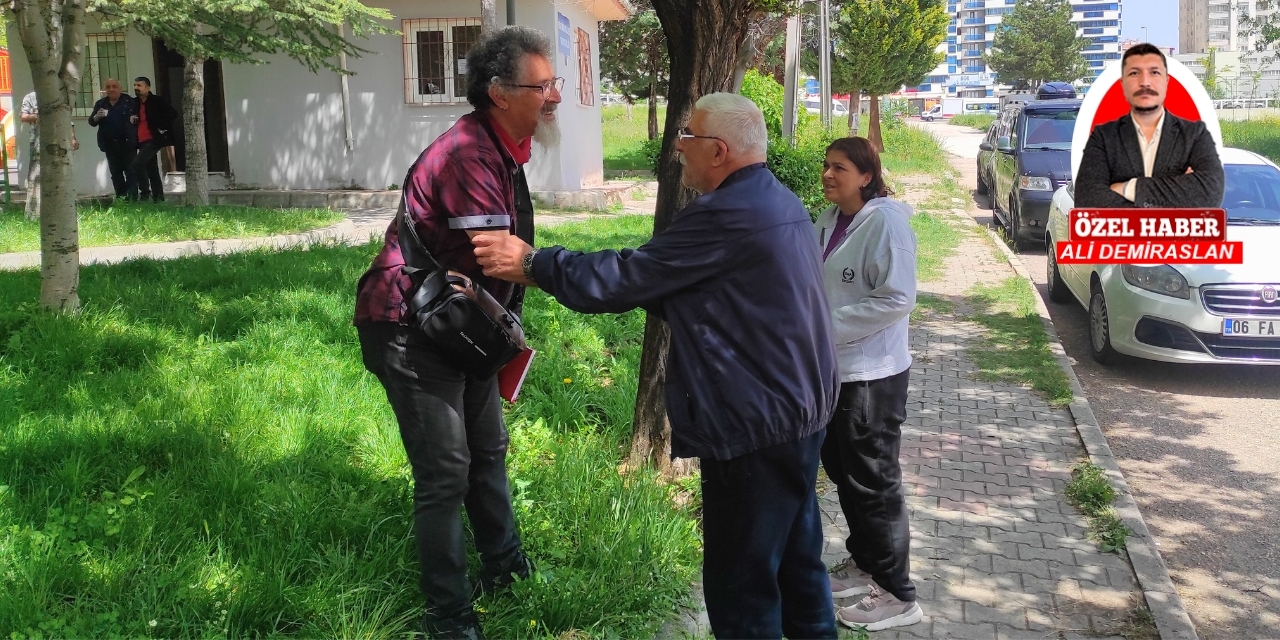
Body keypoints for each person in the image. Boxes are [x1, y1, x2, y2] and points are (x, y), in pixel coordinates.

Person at [473, 92, 841, 640]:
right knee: (796, 563)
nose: (677, 148)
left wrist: (532, 263)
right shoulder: (778, 201)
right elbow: (703, 293)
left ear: (718, 151)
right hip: (797, 413)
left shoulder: (727, 215)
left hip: (755, 429)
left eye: (687, 137)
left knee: (741, 585)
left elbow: (629, 277)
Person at [352, 25, 558, 640]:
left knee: (487, 453)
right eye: (541, 86)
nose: (553, 97)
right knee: (445, 473)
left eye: (555, 83)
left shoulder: (504, 147)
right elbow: (498, 256)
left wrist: (504, 336)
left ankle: (506, 569)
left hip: (464, 326)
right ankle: (450, 616)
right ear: (498, 92)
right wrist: (585, 278)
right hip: (412, 328)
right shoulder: (470, 153)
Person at [814, 137, 923, 632]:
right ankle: (863, 563)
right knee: (843, 471)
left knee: (875, 483)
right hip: (834, 370)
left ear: (865, 175)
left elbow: (897, 298)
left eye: (840, 168)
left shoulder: (885, 222)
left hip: (872, 376)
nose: (829, 175)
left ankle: (899, 593)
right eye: (826, 166)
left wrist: (822, 326)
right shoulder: (829, 220)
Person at [1075, 43, 1224, 208]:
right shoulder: (1103, 137)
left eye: (1154, 73)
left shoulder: (1194, 134)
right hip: (1122, 235)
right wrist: (1179, 191)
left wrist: (1129, 188)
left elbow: (1211, 191)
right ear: (1123, 84)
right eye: (1134, 73)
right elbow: (1087, 199)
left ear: (1167, 81)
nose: (1145, 82)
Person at [19, 90, 79, 219]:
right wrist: (42, 116)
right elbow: (23, 116)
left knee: (61, 174)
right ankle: (35, 214)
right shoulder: (31, 97)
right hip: (38, 142)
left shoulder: (60, 97)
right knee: (38, 176)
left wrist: (73, 138)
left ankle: (62, 212)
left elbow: (68, 120)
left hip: (60, 142)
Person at [87, 78, 138, 200]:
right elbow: (91, 122)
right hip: (109, 145)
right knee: (116, 174)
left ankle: (133, 200)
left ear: (120, 88)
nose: (111, 89)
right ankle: (121, 199)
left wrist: (136, 119)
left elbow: (139, 117)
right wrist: (96, 117)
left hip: (127, 144)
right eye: (108, 87)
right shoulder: (101, 104)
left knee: (131, 172)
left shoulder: (129, 101)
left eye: (114, 86)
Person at [129, 77, 176, 202]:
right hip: (140, 139)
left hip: (153, 139)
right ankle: (158, 198)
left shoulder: (157, 101)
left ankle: (145, 193)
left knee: (136, 164)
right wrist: (132, 118)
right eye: (135, 85)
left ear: (147, 87)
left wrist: (161, 127)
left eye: (139, 85)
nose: (136, 88)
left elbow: (172, 113)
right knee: (152, 169)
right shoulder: (134, 103)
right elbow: (132, 117)